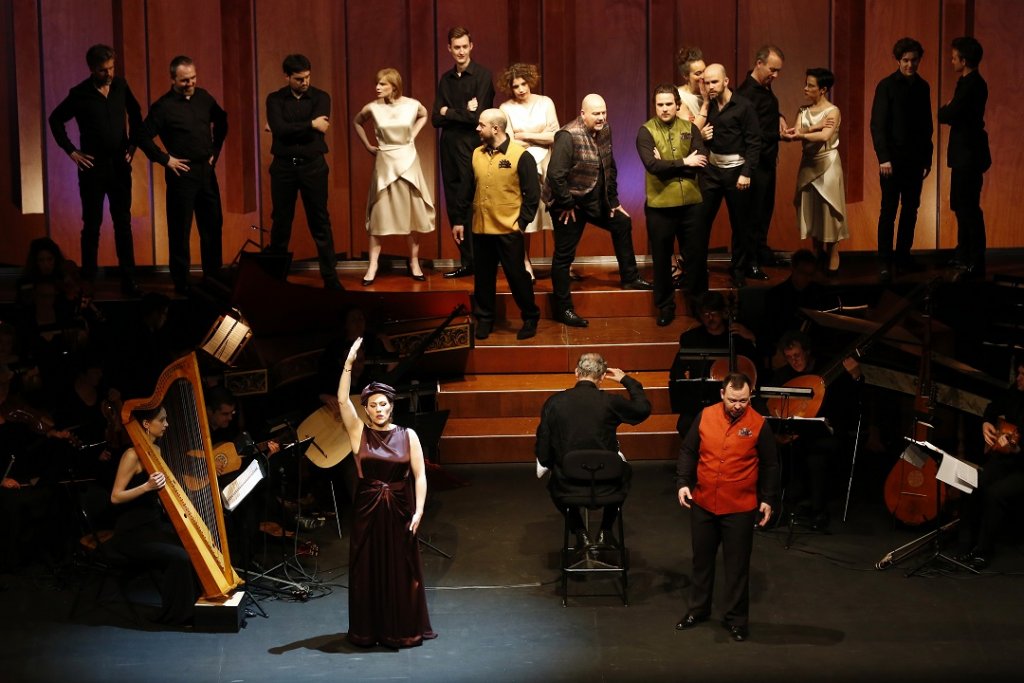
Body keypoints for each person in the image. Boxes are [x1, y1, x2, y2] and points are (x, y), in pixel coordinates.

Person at [336, 338, 436, 648]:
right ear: (364, 409)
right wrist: (348, 364)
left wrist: (419, 511)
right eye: (373, 405)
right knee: (367, 570)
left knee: (400, 571)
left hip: (400, 509)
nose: (379, 409)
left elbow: (420, 476)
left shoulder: (409, 436)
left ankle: (401, 628)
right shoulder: (358, 433)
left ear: (391, 405)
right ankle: (370, 630)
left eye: (384, 404)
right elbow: (341, 400)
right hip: (367, 510)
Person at [675, 372, 779, 642]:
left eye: (744, 400)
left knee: (736, 566)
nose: (738, 405)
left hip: (740, 506)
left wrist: (767, 498)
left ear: (750, 396)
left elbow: (770, 464)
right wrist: (683, 481)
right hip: (704, 501)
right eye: (733, 400)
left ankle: (736, 620)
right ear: (722, 394)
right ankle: (697, 610)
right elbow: (688, 450)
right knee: (702, 561)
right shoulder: (705, 415)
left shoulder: (758, 424)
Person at [543, 94, 653, 328]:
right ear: (583, 114)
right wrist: (566, 203)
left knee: (622, 223)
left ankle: (630, 277)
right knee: (563, 256)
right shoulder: (567, 135)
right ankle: (563, 309)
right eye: (596, 113)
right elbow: (555, 175)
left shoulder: (605, 129)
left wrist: (612, 201)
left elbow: (609, 166)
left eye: (603, 112)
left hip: (594, 199)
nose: (601, 117)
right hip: (568, 204)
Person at [48, 44, 144, 297]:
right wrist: (71, 151)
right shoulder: (79, 94)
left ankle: (129, 278)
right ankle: (88, 279)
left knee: (123, 223)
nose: (109, 74)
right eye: (103, 70)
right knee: (92, 224)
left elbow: (136, 113)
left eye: (111, 68)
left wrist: (133, 144)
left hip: (119, 167)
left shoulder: (121, 86)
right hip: (93, 168)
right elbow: (55, 119)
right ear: (91, 69)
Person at [535, 352, 651, 548]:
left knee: (552, 482)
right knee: (625, 472)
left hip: (568, 486)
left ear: (576, 373)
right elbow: (642, 409)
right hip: (609, 484)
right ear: (603, 376)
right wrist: (626, 380)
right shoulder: (611, 402)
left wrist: (552, 463)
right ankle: (606, 530)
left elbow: (544, 453)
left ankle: (579, 531)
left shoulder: (554, 402)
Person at [137, 55, 227, 295]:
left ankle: (213, 277)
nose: (191, 83)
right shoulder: (163, 107)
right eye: (185, 80)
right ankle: (181, 282)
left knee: (212, 226)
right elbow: (142, 136)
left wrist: (215, 152)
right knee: (180, 229)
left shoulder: (204, 97)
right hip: (182, 174)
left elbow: (222, 120)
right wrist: (166, 160)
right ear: (173, 79)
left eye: (194, 78)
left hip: (206, 172)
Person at [453, 109, 540, 341]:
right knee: (483, 278)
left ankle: (530, 316)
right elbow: (466, 190)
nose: (477, 129)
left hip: (508, 230)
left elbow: (533, 194)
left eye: (481, 125)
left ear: (495, 129)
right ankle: (485, 319)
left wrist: (521, 223)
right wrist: (459, 220)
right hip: (481, 229)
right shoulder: (476, 154)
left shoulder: (521, 156)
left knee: (517, 276)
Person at [110, 405, 197, 625]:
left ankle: (196, 605)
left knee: (192, 546)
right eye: (162, 420)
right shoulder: (131, 455)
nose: (167, 424)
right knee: (180, 557)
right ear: (146, 424)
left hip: (153, 526)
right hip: (131, 532)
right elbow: (115, 497)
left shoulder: (156, 451)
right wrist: (146, 487)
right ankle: (175, 616)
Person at [768, 330, 863, 529]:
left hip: (824, 434)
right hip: (792, 435)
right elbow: (771, 406)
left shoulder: (829, 372)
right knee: (767, 447)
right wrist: (778, 433)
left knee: (816, 455)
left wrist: (855, 375)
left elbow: (855, 402)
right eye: (789, 357)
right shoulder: (783, 375)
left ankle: (819, 512)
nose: (794, 361)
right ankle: (773, 508)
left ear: (808, 351)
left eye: (797, 355)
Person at [264, 54, 342, 291]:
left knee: (320, 221)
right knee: (281, 223)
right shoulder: (275, 99)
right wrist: (309, 125)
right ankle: (276, 279)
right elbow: (280, 128)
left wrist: (285, 129)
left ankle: (330, 278)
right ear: (287, 76)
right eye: (299, 79)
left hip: (313, 166)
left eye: (307, 77)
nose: (305, 82)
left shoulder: (321, 97)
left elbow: (311, 131)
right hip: (284, 167)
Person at [353, 68, 435, 286]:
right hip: (385, 161)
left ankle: (414, 262)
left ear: (394, 86)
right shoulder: (372, 107)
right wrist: (369, 146)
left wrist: (412, 136)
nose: (377, 87)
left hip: (408, 159)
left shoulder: (412, 104)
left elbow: (425, 115)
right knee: (379, 214)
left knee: (412, 212)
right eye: (377, 83)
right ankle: (373, 265)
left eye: (382, 84)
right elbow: (357, 122)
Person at [636, 84, 708, 327]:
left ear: (677, 105)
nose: (665, 109)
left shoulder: (690, 128)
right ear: (655, 106)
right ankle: (665, 306)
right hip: (660, 206)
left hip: (692, 204)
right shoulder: (645, 131)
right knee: (662, 259)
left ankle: (700, 305)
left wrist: (669, 164)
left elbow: (702, 160)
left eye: (669, 104)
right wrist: (685, 161)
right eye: (660, 104)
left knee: (696, 257)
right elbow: (652, 166)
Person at [432, 26, 495, 279]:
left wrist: (451, 112)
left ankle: (481, 261)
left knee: (476, 202)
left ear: (471, 46)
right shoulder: (445, 79)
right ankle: (466, 261)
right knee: (455, 201)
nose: (460, 51)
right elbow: (436, 117)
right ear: (449, 49)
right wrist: (461, 112)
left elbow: (478, 117)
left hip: (473, 147)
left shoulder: (482, 75)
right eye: (455, 47)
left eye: (464, 46)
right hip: (448, 147)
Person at [870, 37, 933, 282]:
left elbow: (927, 125)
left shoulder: (923, 86)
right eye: (905, 60)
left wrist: (927, 158)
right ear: (898, 60)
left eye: (913, 60)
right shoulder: (886, 86)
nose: (909, 64)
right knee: (888, 210)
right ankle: (884, 260)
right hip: (892, 160)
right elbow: (877, 124)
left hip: (915, 159)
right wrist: (883, 158)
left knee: (911, 210)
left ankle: (903, 257)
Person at [698, 64, 761, 288]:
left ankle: (738, 272)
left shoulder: (744, 106)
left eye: (714, 81)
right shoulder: (708, 106)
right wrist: (703, 136)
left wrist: (746, 173)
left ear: (726, 81)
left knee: (740, 225)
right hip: (712, 172)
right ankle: (697, 270)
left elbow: (754, 143)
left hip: (737, 172)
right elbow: (694, 137)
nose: (710, 86)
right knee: (700, 221)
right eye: (706, 82)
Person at [958, 361, 1024, 570]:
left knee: (996, 493)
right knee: (975, 484)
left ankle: (983, 551)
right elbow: (993, 407)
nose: (1018, 378)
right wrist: (986, 422)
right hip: (1006, 458)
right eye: (1019, 373)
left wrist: (1018, 450)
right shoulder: (1016, 391)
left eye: (1023, 375)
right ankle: (965, 546)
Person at [782, 68, 848, 274]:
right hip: (808, 164)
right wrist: (813, 127)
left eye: (810, 85)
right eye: (806, 84)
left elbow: (824, 136)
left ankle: (834, 253)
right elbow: (795, 133)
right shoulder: (803, 111)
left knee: (829, 210)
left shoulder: (833, 111)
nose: (806, 88)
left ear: (823, 89)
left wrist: (808, 130)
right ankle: (817, 252)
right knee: (811, 209)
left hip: (827, 164)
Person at [498, 63, 559, 281]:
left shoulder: (545, 102)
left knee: (554, 216)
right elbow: (509, 142)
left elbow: (555, 136)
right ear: (510, 88)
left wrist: (526, 135)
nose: (521, 89)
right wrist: (539, 133)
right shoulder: (506, 108)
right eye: (516, 86)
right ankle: (525, 264)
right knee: (526, 217)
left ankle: (561, 264)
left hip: (547, 165)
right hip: (522, 167)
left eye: (524, 84)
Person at [668, 290, 759, 436]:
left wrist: (751, 338)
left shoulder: (738, 336)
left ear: (723, 312)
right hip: (702, 400)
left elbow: (756, 365)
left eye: (714, 313)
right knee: (685, 424)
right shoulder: (690, 339)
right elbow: (676, 371)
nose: (710, 318)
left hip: (737, 401)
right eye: (705, 314)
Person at [939, 36, 990, 280]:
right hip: (964, 154)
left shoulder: (972, 84)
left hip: (968, 155)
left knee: (968, 207)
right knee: (961, 205)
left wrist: (945, 109)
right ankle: (964, 255)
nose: (951, 61)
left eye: (954, 57)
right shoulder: (967, 82)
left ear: (964, 59)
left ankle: (974, 260)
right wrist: (948, 109)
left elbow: (950, 113)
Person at [736, 45, 787, 275]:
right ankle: (750, 260)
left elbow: (767, 113)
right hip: (754, 163)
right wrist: (780, 135)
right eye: (772, 69)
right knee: (752, 214)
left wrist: (780, 117)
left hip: (767, 160)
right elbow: (750, 132)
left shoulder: (764, 89)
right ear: (759, 63)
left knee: (765, 210)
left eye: (778, 71)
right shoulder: (746, 93)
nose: (775, 75)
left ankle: (760, 251)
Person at [675, 46, 707, 125]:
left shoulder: (712, 89)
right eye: (698, 73)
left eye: (705, 71)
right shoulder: (679, 96)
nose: (703, 76)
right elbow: (688, 132)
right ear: (686, 76)